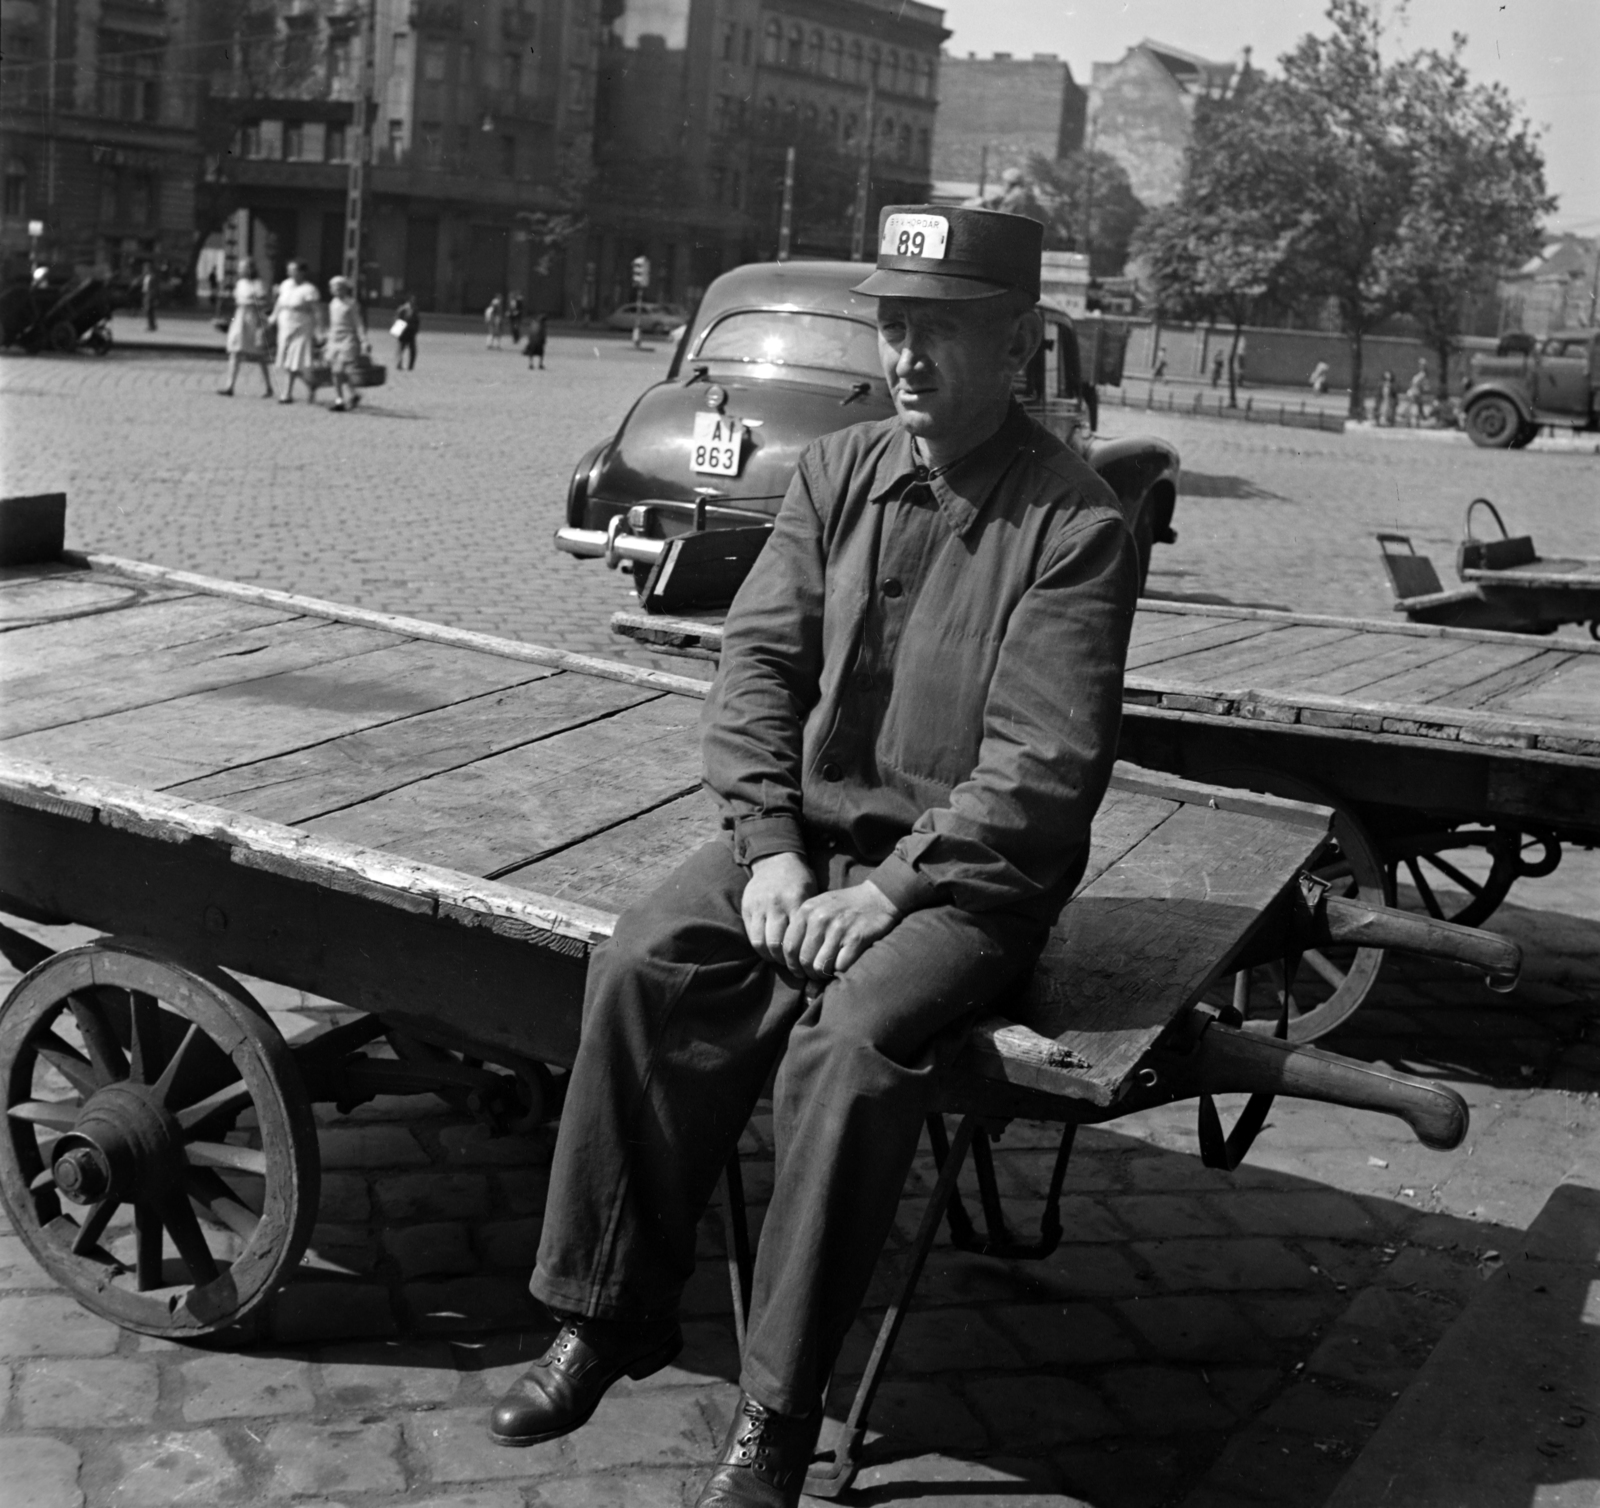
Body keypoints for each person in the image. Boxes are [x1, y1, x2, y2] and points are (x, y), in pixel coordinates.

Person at [487, 205, 1138, 1508]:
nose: (908, 360)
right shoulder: (835, 472)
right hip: (814, 835)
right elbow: (758, 669)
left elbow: (1043, 768)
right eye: (895, 328)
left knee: (848, 1052)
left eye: (941, 334)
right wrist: (771, 849)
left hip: (965, 884)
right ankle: (610, 1312)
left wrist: (895, 890)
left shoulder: (1074, 523)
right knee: (643, 959)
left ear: (1016, 349)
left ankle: (778, 1413)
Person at [218, 257, 274, 398]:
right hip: (240, 318)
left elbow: (265, 303)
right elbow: (236, 303)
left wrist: (251, 302)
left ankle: (268, 386)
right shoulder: (240, 283)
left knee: (260, 355)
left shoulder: (259, 284)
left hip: (253, 319)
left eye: (243, 267)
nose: (239, 270)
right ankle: (229, 385)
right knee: (235, 352)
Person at [268, 260, 323, 405]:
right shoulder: (286, 284)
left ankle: (286, 394)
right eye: (289, 270)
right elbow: (280, 302)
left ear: (302, 272)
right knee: (287, 360)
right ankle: (311, 384)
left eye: (293, 270)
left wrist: (320, 331)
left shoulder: (309, 289)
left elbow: (317, 311)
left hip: (302, 327)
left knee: (294, 360)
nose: (290, 273)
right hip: (285, 326)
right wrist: (273, 317)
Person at [324, 274, 368, 413]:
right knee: (336, 372)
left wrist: (364, 340)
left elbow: (358, 323)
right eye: (334, 288)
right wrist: (327, 338)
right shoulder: (332, 303)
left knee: (340, 370)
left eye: (339, 287)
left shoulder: (351, 303)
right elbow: (332, 323)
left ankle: (342, 399)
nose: (336, 290)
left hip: (348, 340)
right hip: (334, 340)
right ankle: (348, 397)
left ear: (345, 289)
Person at [394, 294, 419, 371]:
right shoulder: (402, 309)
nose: (413, 302)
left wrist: (416, 330)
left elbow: (417, 321)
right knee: (401, 349)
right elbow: (398, 319)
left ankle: (410, 366)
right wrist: (397, 331)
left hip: (411, 332)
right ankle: (399, 364)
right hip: (404, 332)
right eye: (412, 300)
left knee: (413, 350)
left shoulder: (415, 309)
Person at [140, 264, 158, 331]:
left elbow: (155, 288)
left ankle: (151, 326)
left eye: (146, 268)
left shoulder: (153, 277)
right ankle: (151, 325)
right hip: (146, 295)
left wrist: (154, 297)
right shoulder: (145, 276)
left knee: (150, 311)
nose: (145, 270)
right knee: (148, 311)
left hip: (151, 296)